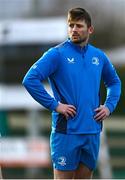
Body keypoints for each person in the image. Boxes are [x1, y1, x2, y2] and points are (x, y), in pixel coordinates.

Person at [22, 7, 121, 179]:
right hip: (66, 132)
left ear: (90, 29)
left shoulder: (99, 56)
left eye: (79, 26)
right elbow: (30, 80)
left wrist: (109, 106)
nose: (74, 29)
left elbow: (114, 82)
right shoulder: (56, 54)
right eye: (71, 25)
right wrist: (55, 105)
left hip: (92, 131)